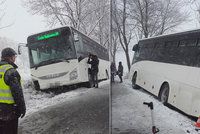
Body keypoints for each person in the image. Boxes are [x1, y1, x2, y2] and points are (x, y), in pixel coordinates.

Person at [0, 47, 26, 134]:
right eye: (14, 56)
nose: (15, 58)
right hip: (10, 110)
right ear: (10, 57)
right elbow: (17, 92)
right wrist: (22, 107)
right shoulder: (10, 71)